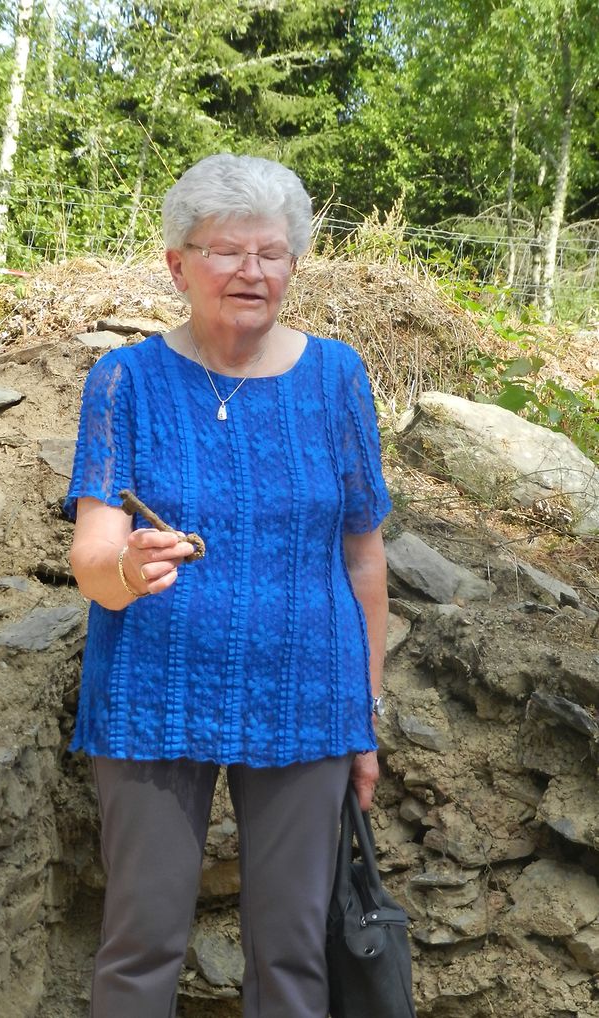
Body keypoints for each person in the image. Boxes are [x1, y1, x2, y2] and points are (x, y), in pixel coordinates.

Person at [66, 152, 391, 1018]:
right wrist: (128, 569)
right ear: (179, 265)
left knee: (292, 954)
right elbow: (92, 557)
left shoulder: (337, 378)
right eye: (227, 251)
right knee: (140, 946)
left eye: (273, 253)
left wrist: (365, 714)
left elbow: (364, 560)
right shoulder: (126, 380)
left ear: (294, 265)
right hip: (153, 694)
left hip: (309, 697)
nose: (253, 271)